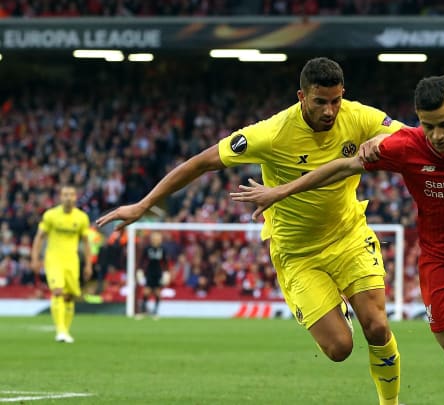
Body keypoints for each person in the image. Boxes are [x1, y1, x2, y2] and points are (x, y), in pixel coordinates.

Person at [230, 75, 444, 404]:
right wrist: (280, 191)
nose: (436, 135)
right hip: (441, 265)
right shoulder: (407, 146)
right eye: (427, 125)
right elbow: (341, 167)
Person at [96, 57, 403, 405]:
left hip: (349, 236)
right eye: (320, 102)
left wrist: (380, 139)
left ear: (343, 95)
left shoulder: (359, 116)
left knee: (377, 327)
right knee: (339, 349)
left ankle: (390, 403)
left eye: (335, 101)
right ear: (302, 96)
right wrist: (143, 204)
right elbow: (201, 163)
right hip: (297, 254)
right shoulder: (271, 133)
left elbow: (410, 137)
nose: (330, 111)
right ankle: (337, 312)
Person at [30, 185, 93, 343]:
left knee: (70, 296)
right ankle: (61, 331)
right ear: (60, 197)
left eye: (71, 194)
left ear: (75, 197)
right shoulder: (50, 215)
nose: (68, 197)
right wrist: (35, 258)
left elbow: (86, 242)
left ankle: (65, 330)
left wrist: (88, 265)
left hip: (72, 260)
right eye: (65, 194)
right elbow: (39, 237)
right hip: (54, 259)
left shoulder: (81, 218)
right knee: (57, 291)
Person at [136, 231, 168, 319]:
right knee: (146, 292)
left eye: (158, 238)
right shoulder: (147, 248)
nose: (156, 240)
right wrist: (140, 271)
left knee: (157, 293)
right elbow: (142, 261)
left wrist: (166, 273)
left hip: (158, 273)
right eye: (154, 238)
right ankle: (143, 311)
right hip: (149, 272)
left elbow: (165, 263)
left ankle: (155, 312)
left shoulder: (162, 249)